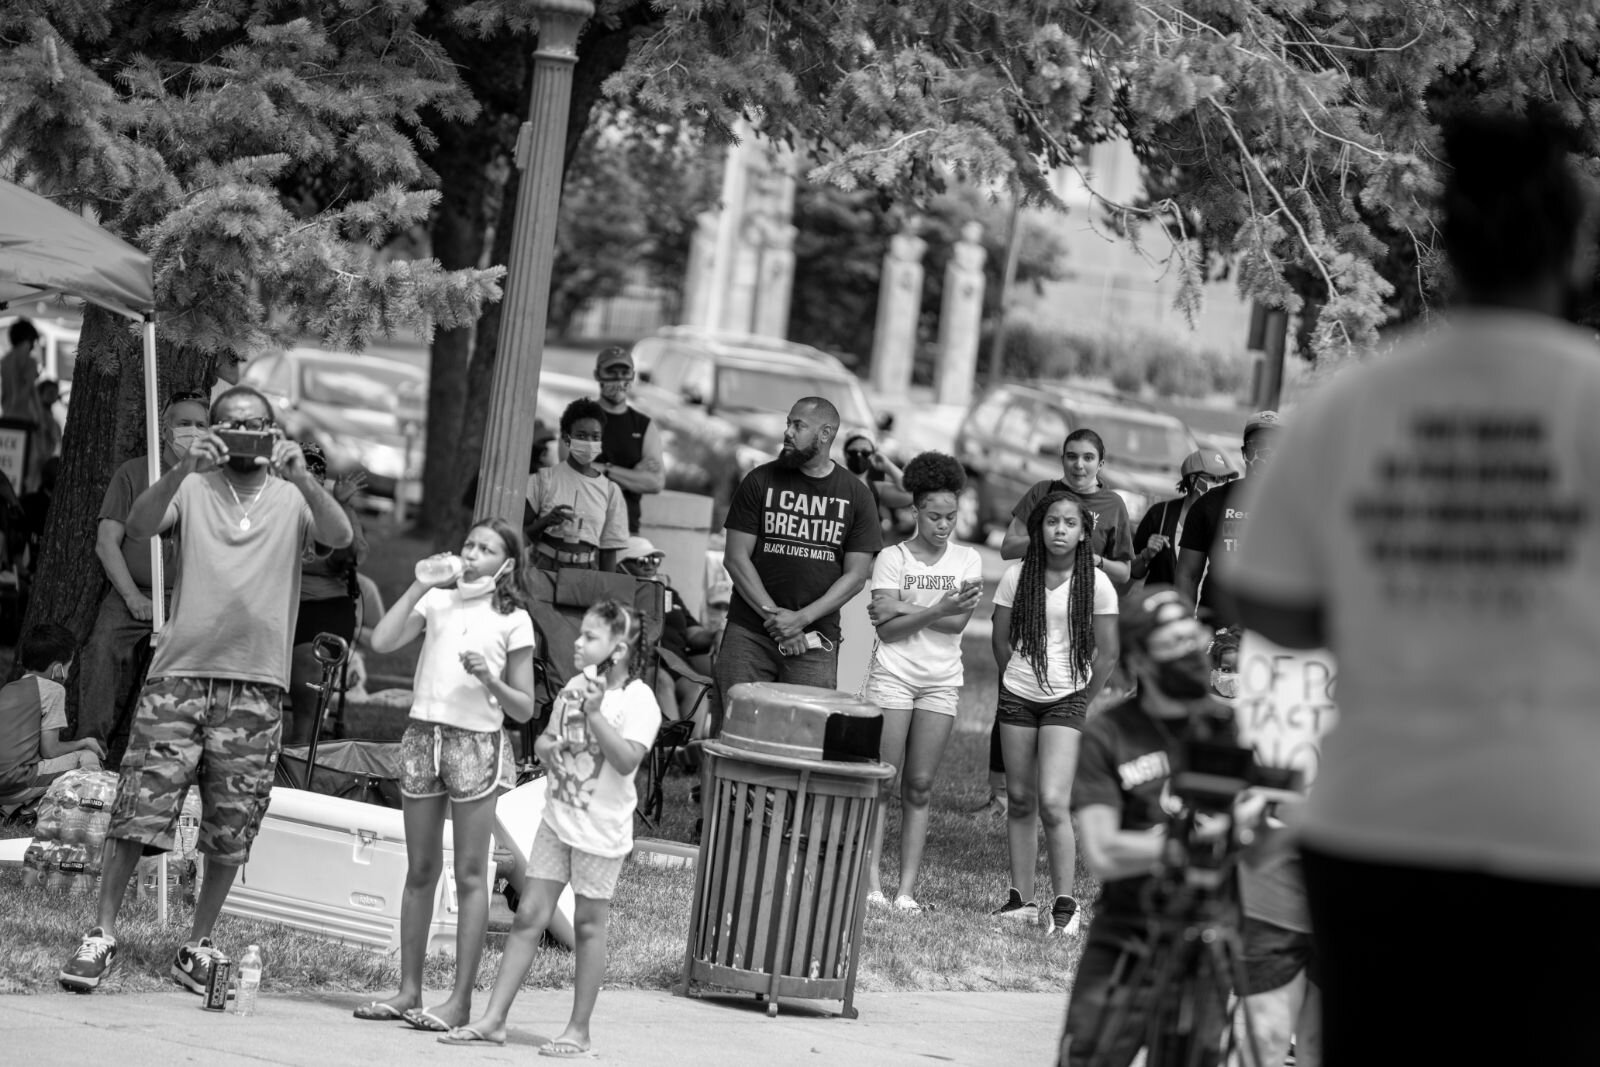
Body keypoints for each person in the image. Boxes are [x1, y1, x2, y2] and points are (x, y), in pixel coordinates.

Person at [1223, 112, 1600, 1067]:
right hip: (1565, 825)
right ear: (1570, 253)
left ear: (1456, 250)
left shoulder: (1349, 408)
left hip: (1374, 823)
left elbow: (1271, 616)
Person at [58, 384, 352, 993]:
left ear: (273, 433)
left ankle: (196, 943)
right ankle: (102, 934)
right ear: (214, 431)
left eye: (256, 425)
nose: (244, 433)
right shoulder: (192, 484)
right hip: (181, 676)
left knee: (230, 825)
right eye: (232, 424)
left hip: (258, 685)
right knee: (140, 808)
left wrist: (303, 476)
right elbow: (138, 526)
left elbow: (341, 536)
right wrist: (185, 467)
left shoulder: (293, 496)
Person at [444, 599, 659, 1054]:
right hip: (556, 822)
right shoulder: (573, 688)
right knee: (528, 916)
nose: (577, 643)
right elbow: (544, 739)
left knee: (587, 925)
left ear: (617, 650)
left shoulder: (638, 700)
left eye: (590, 637)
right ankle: (494, 1019)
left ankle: (578, 1031)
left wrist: (597, 716)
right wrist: (547, 749)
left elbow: (626, 761)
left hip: (600, 834)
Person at [1059, 585, 1253, 1067]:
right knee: (1088, 1055)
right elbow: (1102, 852)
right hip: (1128, 928)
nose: (1189, 654)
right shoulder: (1111, 732)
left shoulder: (1227, 726)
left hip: (1208, 927)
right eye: (1172, 646)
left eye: (1192, 640)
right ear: (1142, 660)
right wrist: (1183, 841)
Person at [355, 518, 536, 1031]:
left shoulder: (513, 618)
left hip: (475, 744)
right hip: (422, 738)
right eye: (469, 544)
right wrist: (419, 581)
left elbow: (523, 708)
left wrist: (490, 678)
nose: (472, 553)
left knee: (471, 873)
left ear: (506, 564)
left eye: (486, 549)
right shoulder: (436, 602)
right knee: (419, 870)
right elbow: (384, 640)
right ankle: (409, 990)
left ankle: (459, 1001)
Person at [982, 428, 1134, 818]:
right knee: (1012, 697)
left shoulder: (1113, 503)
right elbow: (1006, 547)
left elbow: (1124, 572)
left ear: (1101, 462)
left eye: (1087, 457)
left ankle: (1050, 793)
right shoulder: (1041, 492)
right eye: (1071, 456)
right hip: (1034, 602)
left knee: (1064, 703)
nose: (1078, 464)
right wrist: (1051, 537)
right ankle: (999, 793)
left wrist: (1092, 558)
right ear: (1062, 459)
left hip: (1081, 611)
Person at [990, 492, 1119, 934]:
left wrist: (1082, 696)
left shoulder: (1097, 584)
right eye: (1051, 522)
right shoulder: (1016, 575)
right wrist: (1015, 677)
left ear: (1084, 533)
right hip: (1018, 695)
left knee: (1052, 802)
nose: (1059, 530)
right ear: (1039, 529)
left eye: (1069, 523)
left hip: (1067, 698)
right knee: (1020, 799)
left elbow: (1108, 654)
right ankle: (1021, 900)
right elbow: (999, 639)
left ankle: (1065, 905)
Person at [713, 397, 883, 733]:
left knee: (805, 736)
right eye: (788, 424)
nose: (787, 432)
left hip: (815, 640)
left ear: (825, 434)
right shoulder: (759, 481)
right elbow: (735, 558)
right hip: (749, 633)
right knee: (733, 728)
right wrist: (777, 620)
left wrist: (802, 620)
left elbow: (856, 576)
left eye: (797, 426)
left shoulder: (855, 495)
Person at [860, 452, 982, 912]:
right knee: (883, 783)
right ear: (915, 512)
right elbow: (885, 629)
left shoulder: (968, 559)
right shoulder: (891, 558)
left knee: (920, 786)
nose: (943, 525)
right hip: (892, 675)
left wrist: (905, 609)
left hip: (940, 681)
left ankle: (905, 890)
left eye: (951, 516)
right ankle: (870, 883)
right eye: (934, 516)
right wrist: (936, 608)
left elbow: (956, 625)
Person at [75, 391, 211, 763]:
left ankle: (153, 756)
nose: (192, 432)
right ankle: (90, 748)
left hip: (187, 599)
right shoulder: (136, 473)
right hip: (131, 592)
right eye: (184, 424)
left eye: (201, 425)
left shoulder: (215, 483)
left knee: (181, 670)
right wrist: (133, 597)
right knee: (101, 647)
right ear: (165, 429)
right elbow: (107, 543)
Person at [286, 444, 368, 746]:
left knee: (308, 667)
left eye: (317, 470)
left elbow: (349, 558)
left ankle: (300, 750)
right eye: (303, 467)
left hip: (325, 606)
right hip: (279, 602)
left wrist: (343, 505)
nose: (310, 475)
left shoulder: (333, 510)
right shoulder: (274, 503)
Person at [1175, 412, 1282, 629]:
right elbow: (1188, 573)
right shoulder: (1210, 504)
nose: (1267, 452)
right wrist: (1186, 624)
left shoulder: (1303, 507)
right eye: (1258, 445)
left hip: (1274, 633)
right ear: (1244, 453)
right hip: (1217, 628)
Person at [617, 536, 715, 726]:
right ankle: (672, 744)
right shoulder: (620, 593)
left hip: (677, 664)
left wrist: (716, 634)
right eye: (642, 560)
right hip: (643, 664)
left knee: (697, 688)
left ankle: (688, 751)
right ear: (621, 564)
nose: (650, 566)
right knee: (660, 681)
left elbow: (693, 634)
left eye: (655, 560)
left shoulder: (669, 593)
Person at [525, 398, 629, 572]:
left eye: (595, 437)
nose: (588, 442)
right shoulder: (543, 479)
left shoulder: (611, 491)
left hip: (585, 571)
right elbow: (520, 534)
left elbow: (608, 552)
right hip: (543, 566)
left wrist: (606, 592)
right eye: (581, 436)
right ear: (567, 438)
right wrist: (545, 522)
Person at [0, 624, 103, 799]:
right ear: (57, 669)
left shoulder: (7, 689)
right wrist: (83, 743)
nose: (68, 674)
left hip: (7, 780)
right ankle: (90, 808)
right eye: (68, 668)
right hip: (14, 783)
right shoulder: (53, 690)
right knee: (87, 757)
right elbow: (50, 751)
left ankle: (20, 807)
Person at [1130, 450, 1237, 588]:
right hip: (1170, 607)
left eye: (1225, 480)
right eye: (1215, 479)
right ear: (1194, 480)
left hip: (1207, 608)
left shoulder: (1229, 517)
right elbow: (1132, 571)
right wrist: (1146, 555)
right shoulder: (1160, 514)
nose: (1221, 484)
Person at [591, 346, 665, 535]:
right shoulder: (580, 418)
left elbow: (655, 482)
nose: (618, 379)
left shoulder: (643, 426)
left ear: (633, 376)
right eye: (611, 372)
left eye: (625, 372)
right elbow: (572, 473)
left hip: (626, 531)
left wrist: (603, 469)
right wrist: (632, 475)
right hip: (583, 529)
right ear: (597, 374)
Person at [1, 319, 51, 493]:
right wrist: (41, 421)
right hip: (25, 423)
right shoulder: (29, 362)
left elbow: (8, 396)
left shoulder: (5, 360)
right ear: (28, 339)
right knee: (28, 473)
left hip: (7, 421)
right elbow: (28, 395)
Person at [843, 431, 913, 532]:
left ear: (873, 455)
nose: (858, 456)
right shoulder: (833, 480)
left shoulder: (875, 489)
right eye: (853, 452)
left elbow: (910, 493)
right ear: (845, 453)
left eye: (865, 453)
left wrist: (888, 466)